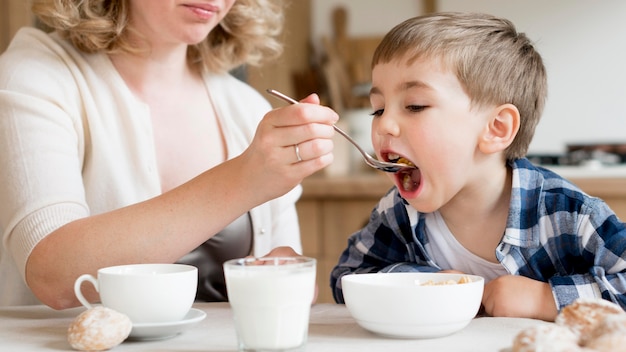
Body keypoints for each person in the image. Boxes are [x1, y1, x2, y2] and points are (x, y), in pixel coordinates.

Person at [0, 0, 337, 308]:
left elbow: (283, 281)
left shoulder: (248, 108)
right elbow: (53, 277)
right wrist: (245, 178)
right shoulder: (33, 76)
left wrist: (289, 276)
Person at [330, 12, 626, 322]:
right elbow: (348, 277)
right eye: (377, 110)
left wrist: (545, 299)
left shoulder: (568, 214)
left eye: (415, 105)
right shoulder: (398, 214)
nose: (384, 125)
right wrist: (421, 281)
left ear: (496, 128)